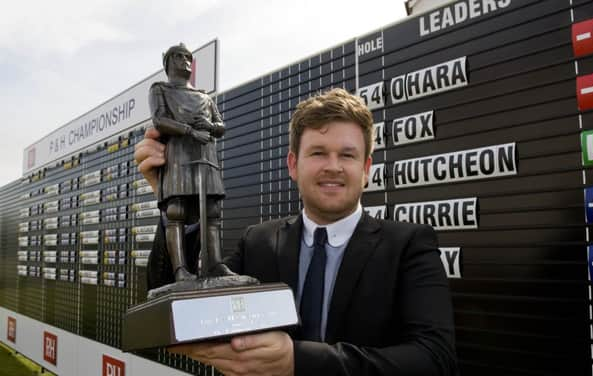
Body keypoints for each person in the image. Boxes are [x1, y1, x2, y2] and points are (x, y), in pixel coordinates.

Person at [134, 88, 458, 375]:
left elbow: (434, 359)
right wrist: (175, 201)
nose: (333, 166)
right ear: (293, 165)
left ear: (366, 169)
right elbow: (177, 305)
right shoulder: (258, 242)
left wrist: (296, 361)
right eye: (318, 153)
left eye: (347, 155)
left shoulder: (409, 246)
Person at [148, 43, 232, 285]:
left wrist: (209, 127)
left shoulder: (204, 96)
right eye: (179, 56)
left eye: (188, 57)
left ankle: (215, 263)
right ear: (168, 62)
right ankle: (180, 270)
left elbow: (221, 126)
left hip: (206, 157)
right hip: (179, 157)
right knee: (177, 212)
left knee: (212, 212)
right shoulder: (159, 89)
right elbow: (160, 119)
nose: (185, 60)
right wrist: (189, 131)